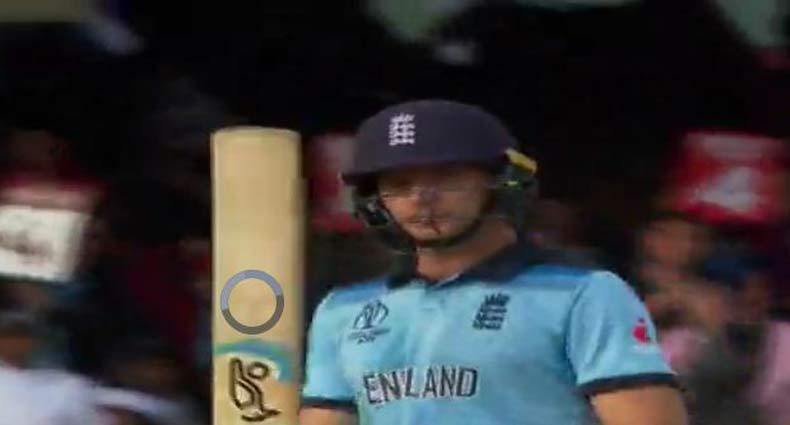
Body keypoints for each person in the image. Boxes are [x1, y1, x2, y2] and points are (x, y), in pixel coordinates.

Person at [299, 99, 689, 425]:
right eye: (399, 184)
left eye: (446, 177)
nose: (421, 198)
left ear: (502, 182)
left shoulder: (584, 294)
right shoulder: (343, 310)